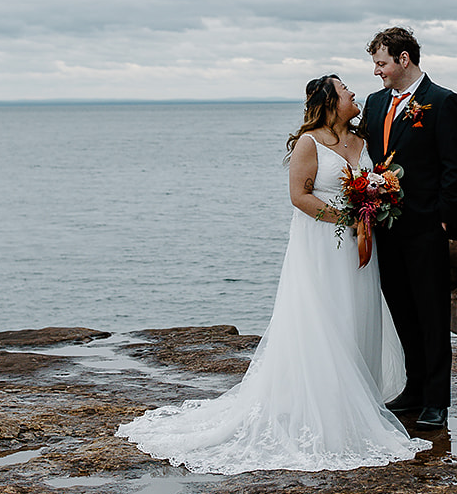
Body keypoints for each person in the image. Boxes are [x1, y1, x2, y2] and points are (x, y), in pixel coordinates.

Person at [117, 74, 431, 473]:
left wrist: (372, 206)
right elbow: (299, 196)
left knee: (358, 312)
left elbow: (374, 181)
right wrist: (347, 216)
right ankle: (325, 409)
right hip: (323, 244)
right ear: (331, 101)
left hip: (359, 246)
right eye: (345, 89)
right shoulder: (309, 142)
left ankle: (359, 401)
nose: (353, 92)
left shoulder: (362, 140)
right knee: (325, 317)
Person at [363, 27, 457, 429]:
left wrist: (444, 217)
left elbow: (455, 166)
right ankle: (414, 387)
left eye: (381, 63)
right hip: (384, 226)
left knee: (431, 312)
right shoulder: (374, 104)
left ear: (403, 59)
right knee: (402, 311)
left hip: (426, 226)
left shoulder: (442, 102)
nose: (377, 72)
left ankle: (437, 400)